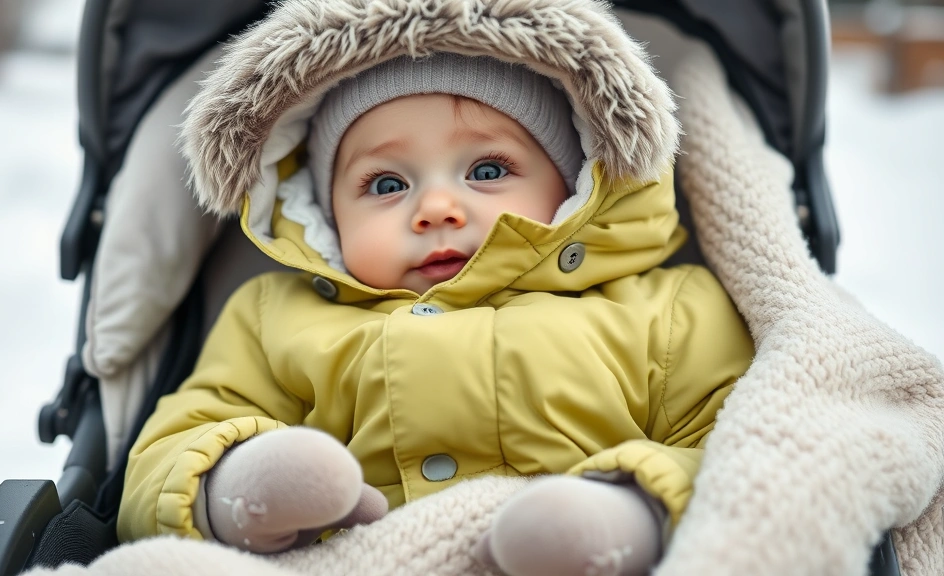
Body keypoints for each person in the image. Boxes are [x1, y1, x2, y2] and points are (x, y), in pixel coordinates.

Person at [118, 2, 754, 575]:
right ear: (326, 214)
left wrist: (634, 509)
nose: (437, 209)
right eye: (388, 185)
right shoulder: (275, 317)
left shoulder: (665, 309)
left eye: (486, 170)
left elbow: (739, 446)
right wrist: (239, 485)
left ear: (577, 187)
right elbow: (169, 448)